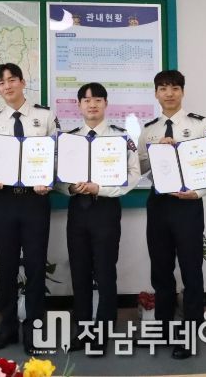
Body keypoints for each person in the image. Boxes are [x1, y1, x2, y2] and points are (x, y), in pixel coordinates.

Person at [138, 69, 206, 359]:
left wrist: (197, 193)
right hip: (159, 205)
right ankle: (163, 329)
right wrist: (156, 152)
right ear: (156, 93)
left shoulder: (201, 125)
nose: (169, 93)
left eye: (174, 88)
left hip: (188, 205)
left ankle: (189, 335)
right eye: (163, 88)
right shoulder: (149, 130)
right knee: (161, 271)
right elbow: (138, 169)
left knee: (191, 271)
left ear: (183, 91)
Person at [54, 82, 140, 356]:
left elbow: (133, 175)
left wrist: (100, 188)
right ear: (78, 105)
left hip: (106, 209)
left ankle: (103, 331)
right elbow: (56, 176)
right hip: (78, 211)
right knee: (79, 272)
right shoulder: (68, 139)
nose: (92, 105)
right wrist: (70, 188)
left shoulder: (121, 138)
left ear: (106, 104)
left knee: (105, 272)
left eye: (98, 100)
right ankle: (82, 330)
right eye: (87, 100)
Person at [0, 63, 59, 355]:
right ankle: (7, 327)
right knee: (7, 267)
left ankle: (34, 330)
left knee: (36, 266)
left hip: (35, 200)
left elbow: (57, 154)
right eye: (1, 82)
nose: (7, 86)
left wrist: (48, 180)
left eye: (12, 79)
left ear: (23, 82)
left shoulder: (45, 116)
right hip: (4, 200)